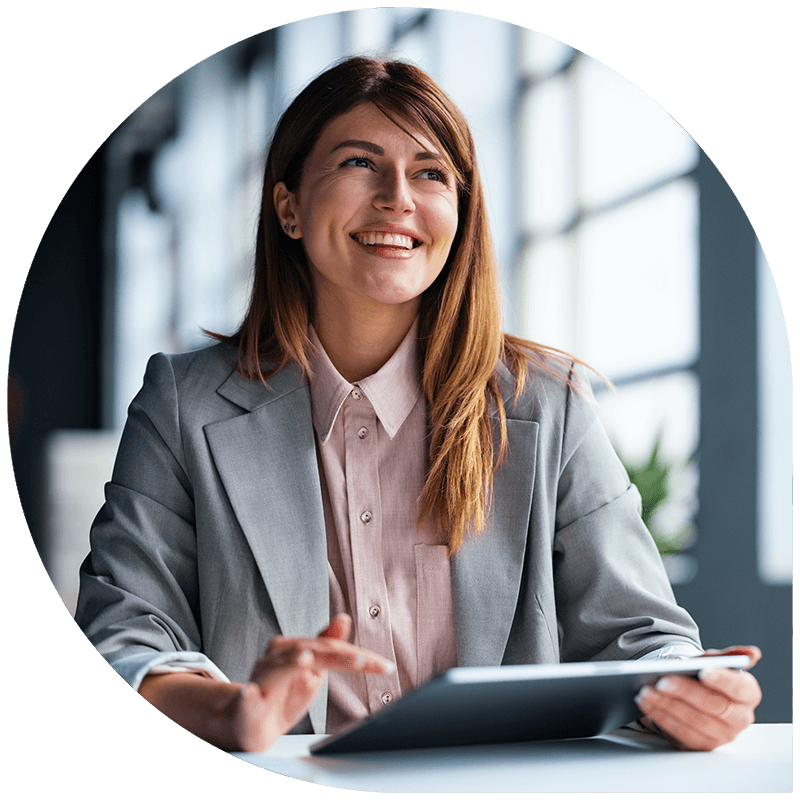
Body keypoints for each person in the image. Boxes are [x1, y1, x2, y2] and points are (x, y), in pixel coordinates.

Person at [75, 56, 762, 754]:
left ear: (459, 214)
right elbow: (126, 627)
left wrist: (689, 692)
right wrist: (232, 713)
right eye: (358, 163)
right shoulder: (184, 404)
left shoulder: (548, 406)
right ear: (288, 207)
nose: (398, 196)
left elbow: (643, 637)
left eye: (431, 172)